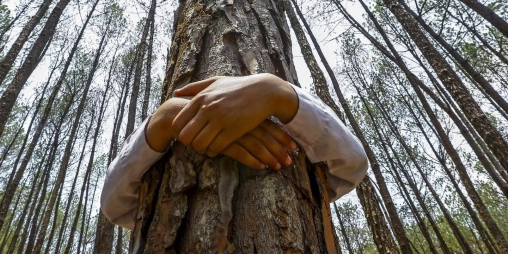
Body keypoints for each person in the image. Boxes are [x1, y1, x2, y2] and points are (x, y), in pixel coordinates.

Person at [101, 73, 369, 229]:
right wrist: (162, 120)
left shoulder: (298, 107)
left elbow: (352, 164)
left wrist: (276, 92)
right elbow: (115, 206)